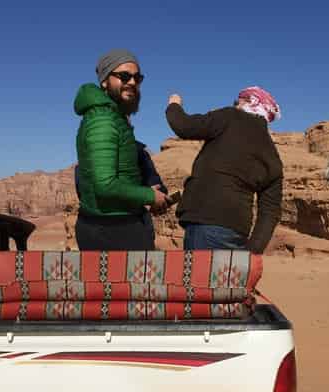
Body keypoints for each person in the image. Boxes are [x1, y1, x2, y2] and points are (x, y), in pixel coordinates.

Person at [165, 86, 283, 253]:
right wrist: (253, 251)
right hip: (237, 232)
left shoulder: (230, 117)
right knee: (223, 279)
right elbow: (270, 211)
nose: (234, 104)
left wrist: (174, 104)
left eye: (238, 100)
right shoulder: (273, 156)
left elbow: (184, 126)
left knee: (198, 278)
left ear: (249, 102)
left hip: (206, 224)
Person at [73, 49, 168, 251]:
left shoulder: (112, 117)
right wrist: (149, 196)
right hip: (112, 231)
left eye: (137, 77)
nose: (132, 82)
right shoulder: (103, 120)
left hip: (117, 225)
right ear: (105, 81)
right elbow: (105, 185)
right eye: (124, 76)